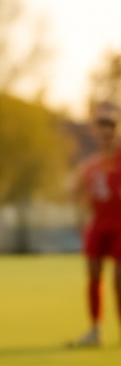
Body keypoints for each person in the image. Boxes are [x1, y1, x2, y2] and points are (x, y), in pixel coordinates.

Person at [69, 103, 121, 348]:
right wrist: (82, 221)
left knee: (119, 280)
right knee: (93, 274)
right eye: (102, 125)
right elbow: (75, 194)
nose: (106, 130)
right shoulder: (90, 165)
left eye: (111, 125)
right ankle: (94, 330)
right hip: (99, 225)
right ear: (95, 130)